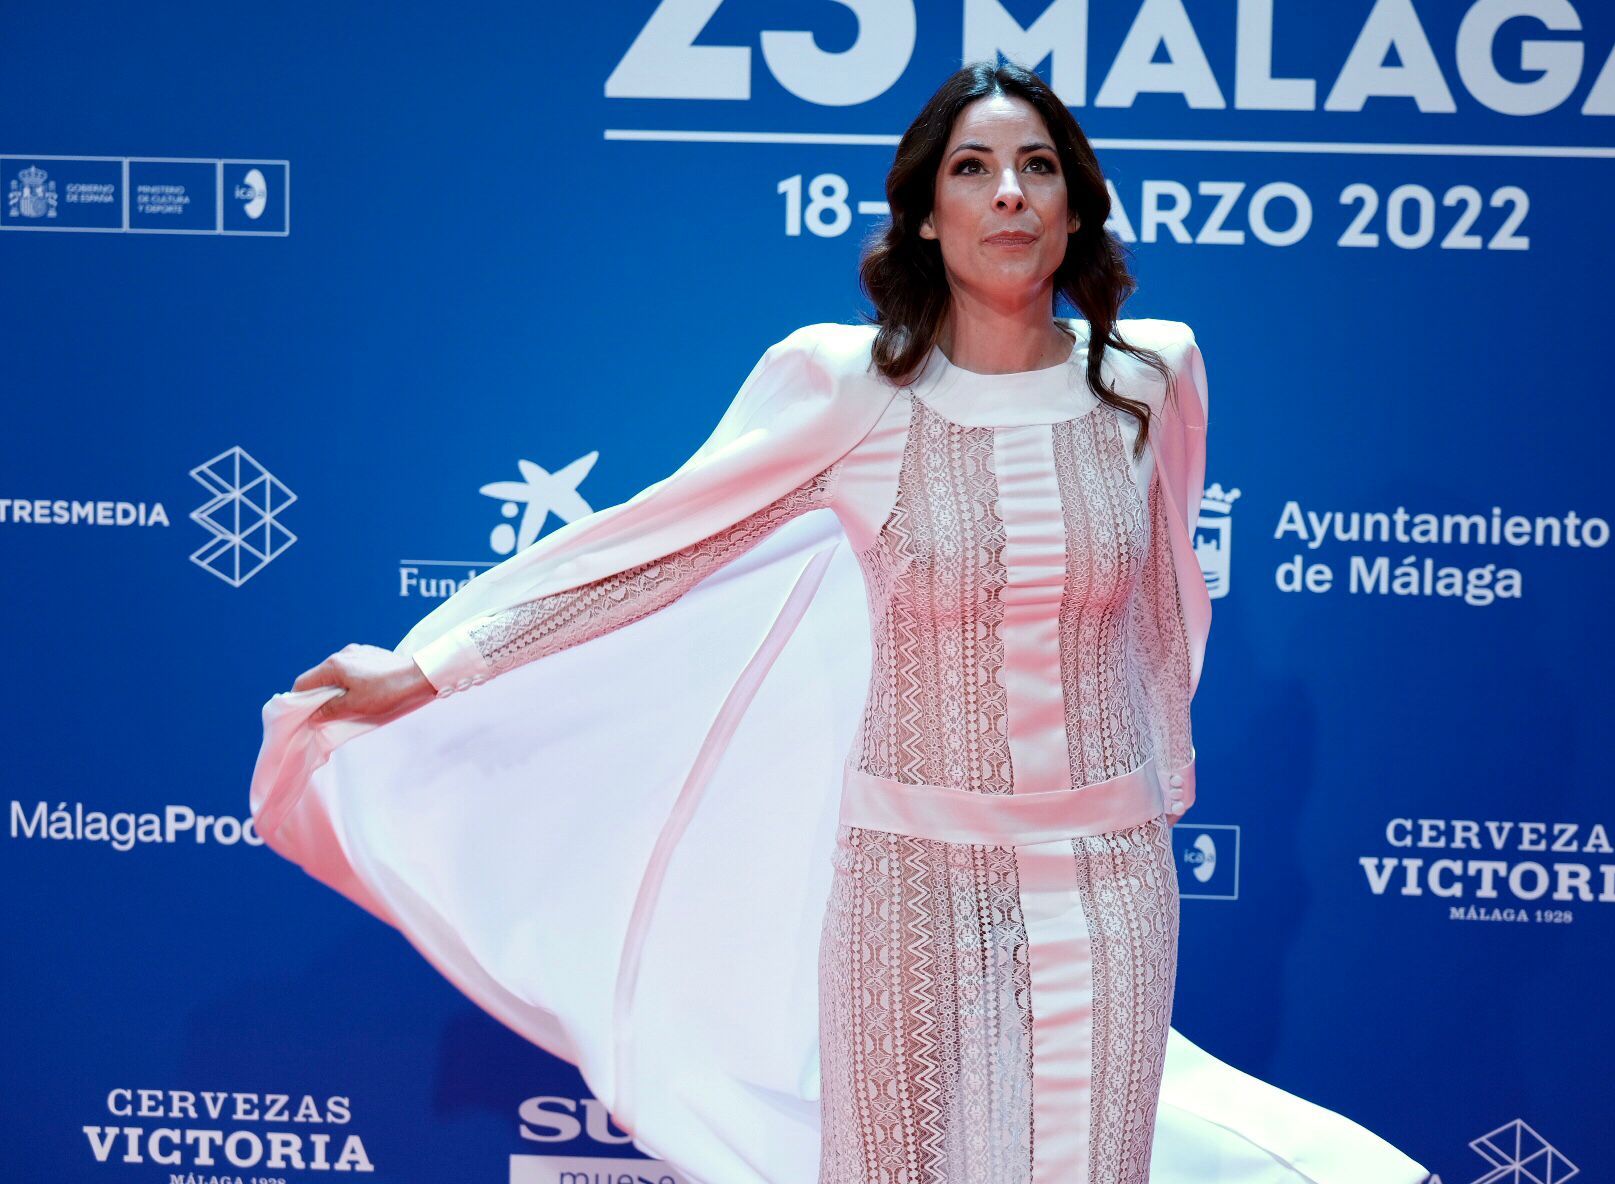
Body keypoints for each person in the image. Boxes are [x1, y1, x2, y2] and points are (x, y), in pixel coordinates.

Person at [254, 61, 1429, 1184]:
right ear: (924, 213)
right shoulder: (849, 384)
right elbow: (648, 550)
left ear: (1076, 207)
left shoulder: (1153, 372)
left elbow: (1170, 598)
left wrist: (1156, 778)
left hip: (1108, 873)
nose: (1008, 191)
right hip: (907, 879)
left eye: (1038, 166)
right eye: (972, 169)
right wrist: (428, 669)